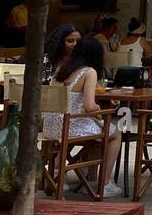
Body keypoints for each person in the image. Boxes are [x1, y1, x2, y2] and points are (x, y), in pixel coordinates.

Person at [43, 36, 121, 198]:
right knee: (115, 134)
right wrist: (101, 110)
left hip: (51, 126)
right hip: (69, 126)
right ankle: (104, 183)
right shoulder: (89, 72)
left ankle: (57, 177)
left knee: (82, 131)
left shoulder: (61, 69)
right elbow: (89, 106)